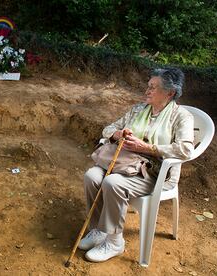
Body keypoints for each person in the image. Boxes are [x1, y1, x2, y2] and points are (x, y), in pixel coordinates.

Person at [79, 68, 194, 262]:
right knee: (92, 176)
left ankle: (115, 242)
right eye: (148, 86)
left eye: (153, 88)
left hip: (155, 174)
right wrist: (118, 134)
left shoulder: (181, 116)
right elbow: (109, 128)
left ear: (170, 93)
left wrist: (149, 148)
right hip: (126, 164)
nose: (147, 91)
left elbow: (186, 150)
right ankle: (99, 230)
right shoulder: (139, 109)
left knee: (113, 183)